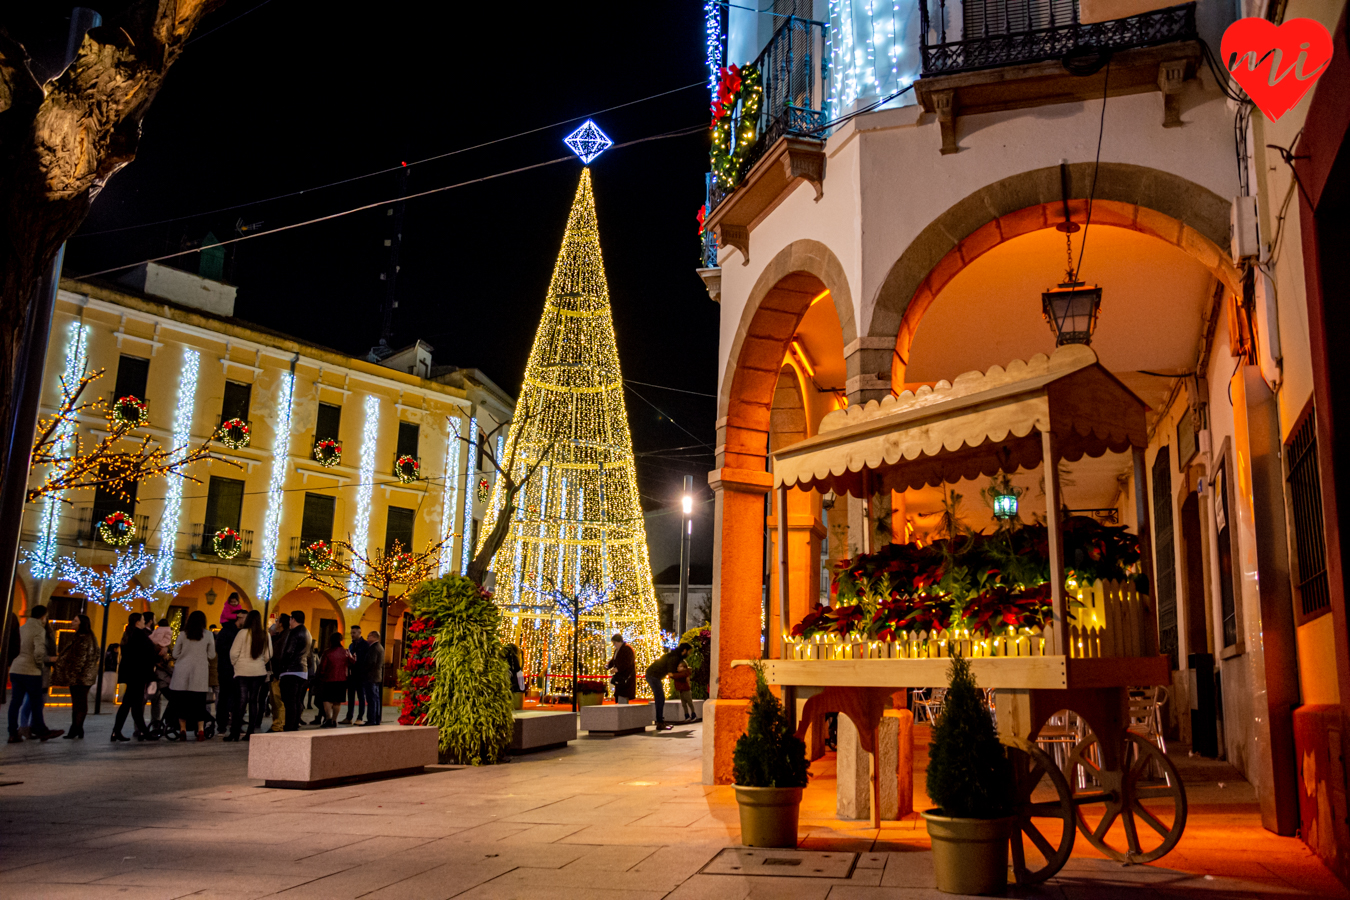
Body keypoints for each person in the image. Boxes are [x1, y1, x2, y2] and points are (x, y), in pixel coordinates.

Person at [7, 605, 63, 742]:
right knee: (36, 702)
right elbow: (39, 652)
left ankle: (13, 733)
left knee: (15, 702)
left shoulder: (22, 628)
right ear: (43, 616)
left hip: (16, 669)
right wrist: (39, 665)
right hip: (31, 671)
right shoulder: (38, 630)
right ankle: (41, 730)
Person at [169, 610, 216, 741]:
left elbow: (175, 654)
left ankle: (183, 730)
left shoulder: (183, 634)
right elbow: (212, 655)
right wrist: (201, 657)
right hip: (199, 673)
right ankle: (200, 730)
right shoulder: (208, 635)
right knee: (199, 704)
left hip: (181, 673)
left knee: (182, 704)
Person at [227, 609, 272, 740]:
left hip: (242, 671)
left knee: (241, 700)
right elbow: (268, 655)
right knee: (254, 701)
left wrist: (236, 664)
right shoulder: (265, 635)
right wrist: (260, 663)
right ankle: (250, 732)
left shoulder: (242, 633)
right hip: (258, 671)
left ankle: (235, 732)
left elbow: (234, 653)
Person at [112, 612, 156, 741]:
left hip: (131, 674)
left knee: (133, 704)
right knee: (130, 704)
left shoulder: (128, 634)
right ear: (137, 622)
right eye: (142, 620)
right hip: (138, 674)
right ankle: (119, 731)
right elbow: (145, 656)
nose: (144, 622)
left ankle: (138, 731)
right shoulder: (140, 635)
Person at [54, 614, 99, 739]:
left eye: (75, 621)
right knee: (78, 703)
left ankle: (75, 729)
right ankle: (77, 728)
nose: (72, 622)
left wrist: (72, 673)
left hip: (79, 677)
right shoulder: (86, 637)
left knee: (79, 704)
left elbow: (80, 659)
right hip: (82, 676)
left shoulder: (83, 638)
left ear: (81, 623)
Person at [276, 610, 312, 731]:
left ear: (293, 619)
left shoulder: (294, 632)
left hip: (291, 670)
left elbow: (288, 652)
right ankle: (295, 724)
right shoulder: (307, 633)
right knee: (297, 701)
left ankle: (289, 726)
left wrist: (282, 667)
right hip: (302, 671)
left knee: (289, 701)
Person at [644, 643, 691, 732]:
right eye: (689, 651)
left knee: (660, 697)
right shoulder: (675, 658)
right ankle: (660, 722)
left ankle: (660, 721)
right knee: (660, 697)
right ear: (684, 650)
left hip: (654, 675)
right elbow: (671, 672)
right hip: (653, 675)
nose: (689, 654)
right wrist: (684, 674)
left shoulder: (674, 656)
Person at [214, 599, 243, 738]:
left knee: (231, 697)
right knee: (227, 697)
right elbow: (220, 648)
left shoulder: (238, 632)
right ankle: (222, 724)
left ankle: (226, 724)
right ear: (238, 618)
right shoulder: (228, 632)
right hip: (228, 669)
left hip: (231, 669)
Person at [315, 632, 350, 728]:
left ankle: (328, 719)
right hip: (342, 679)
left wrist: (320, 676)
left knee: (327, 700)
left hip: (329, 679)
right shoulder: (345, 652)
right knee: (337, 701)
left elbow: (322, 667)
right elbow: (351, 662)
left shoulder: (327, 652)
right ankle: (335, 720)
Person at [267, 614, 290, 733]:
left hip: (279, 673)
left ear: (281, 624)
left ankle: (278, 725)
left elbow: (278, 656)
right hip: (281, 672)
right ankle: (280, 724)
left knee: (277, 701)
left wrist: (276, 673)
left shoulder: (283, 637)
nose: (275, 623)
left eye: (277, 621)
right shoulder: (283, 635)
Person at [342, 625, 366, 724]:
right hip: (352, 674)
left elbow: (364, 660)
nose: (352, 635)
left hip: (361, 674)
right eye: (351, 633)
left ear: (359, 633)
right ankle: (349, 717)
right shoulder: (351, 645)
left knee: (361, 696)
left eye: (354, 633)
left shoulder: (364, 645)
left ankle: (360, 717)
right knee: (351, 696)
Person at [360, 630, 384, 725]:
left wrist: (363, 670)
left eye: (369, 636)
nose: (367, 638)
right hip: (376, 676)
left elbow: (371, 662)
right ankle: (376, 719)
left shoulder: (374, 648)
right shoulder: (380, 647)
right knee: (375, 698)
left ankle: (372, 719)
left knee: (371, 699)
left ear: (374, 637)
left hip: (371, 676)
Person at [606, 633, 636, 704]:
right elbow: (614, 660)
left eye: (614, 643)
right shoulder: (618, 650)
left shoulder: (627, 649)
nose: (614, 645)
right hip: (621, 678)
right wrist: (608, 666)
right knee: (621, 695)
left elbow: (628, 663)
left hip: (625, 677)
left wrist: (617, 669)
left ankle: (623, 711)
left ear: (618, 641)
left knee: (623, 695)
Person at [673, 657, 696, 723]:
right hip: (681, 690)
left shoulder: (684, 673)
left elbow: (680, 677)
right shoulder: (680, 674)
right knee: (684, 704)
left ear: (684, 667)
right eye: (678, 666)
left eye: (680, 666)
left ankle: (693, 714)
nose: (678, 668)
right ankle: (687, 716)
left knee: (689, 702)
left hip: (686, 690)